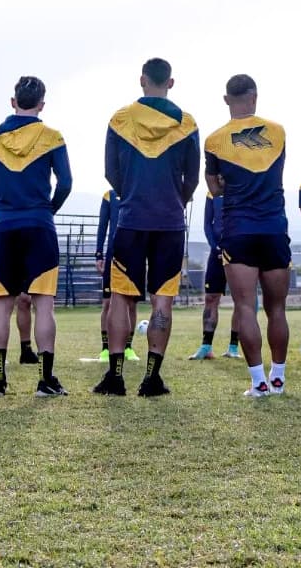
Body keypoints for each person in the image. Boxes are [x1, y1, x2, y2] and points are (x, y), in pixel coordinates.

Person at [95, 57, 200, 397]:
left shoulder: (120, 119)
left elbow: (111, 173)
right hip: (170, 223)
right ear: (171, 82)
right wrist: (174, 200)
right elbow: (193, 178)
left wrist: (131, 195)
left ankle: (115, 377)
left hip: (131, 221)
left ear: (142, 80)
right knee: (163, 302)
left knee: (122, 301)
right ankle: (152, 378)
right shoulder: (186, 123)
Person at [0, 76, 72, 397]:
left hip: (4, 226)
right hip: (40, 225)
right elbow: (66, 183)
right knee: (44, 305)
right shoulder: (52, 137)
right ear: (42, 104)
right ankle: (46, 381)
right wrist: (47, 209)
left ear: (13, 101)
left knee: (1, 306)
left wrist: (2, 202)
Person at [204, 74, 291, 397]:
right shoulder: (278, 131)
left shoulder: (214, 140)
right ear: (254, 96)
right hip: (274, 228)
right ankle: (278, 376)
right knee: (277, 309)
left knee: (245, 306)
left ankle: (258, 382)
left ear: (226, 100)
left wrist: (228, 182)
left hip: (238, 229)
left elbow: (214, 189)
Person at [188, 191, 240, 360]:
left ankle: (233, 347)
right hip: (216, 252)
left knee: (241, 300)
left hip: (239, 251)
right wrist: (215, 247)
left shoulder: (241, 185)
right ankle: (206, 347)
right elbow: (207, 224)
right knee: (210, 298)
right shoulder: (212, 193)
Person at [94, 189, 139, 361]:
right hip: (113, 255)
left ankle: (128, 347)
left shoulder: (138, 190)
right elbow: (102, 225)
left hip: (136, 254)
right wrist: (99, 254)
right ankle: (106, 348)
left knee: (132, 304)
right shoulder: (109, 195)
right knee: (108, 303)